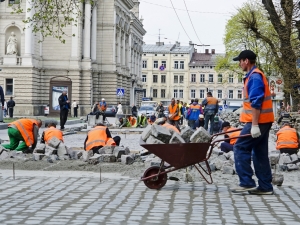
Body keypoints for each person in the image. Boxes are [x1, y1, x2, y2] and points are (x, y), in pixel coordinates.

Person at [231, 50, 274, 195]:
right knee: (259, 153)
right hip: (264, 121)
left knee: (240, 147)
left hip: (258, 122)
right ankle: (265, 186)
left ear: (246, 61)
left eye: (240, 61)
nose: (239, 64)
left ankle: (247, 182)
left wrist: (254, 125)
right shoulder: (254, 76)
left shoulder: (254, 77)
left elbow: (256, 103)